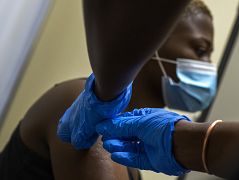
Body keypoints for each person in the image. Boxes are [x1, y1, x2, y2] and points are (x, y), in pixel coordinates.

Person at [95, 0, 239, 179]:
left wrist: (193, 142)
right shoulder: (91, 116)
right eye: (201, 50)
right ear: (149, 43)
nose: (209, 66)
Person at [0, 0, 194, 179]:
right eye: (200, 50)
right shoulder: (78, 104)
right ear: (154, 42)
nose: (209, 67)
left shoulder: (126, 146)